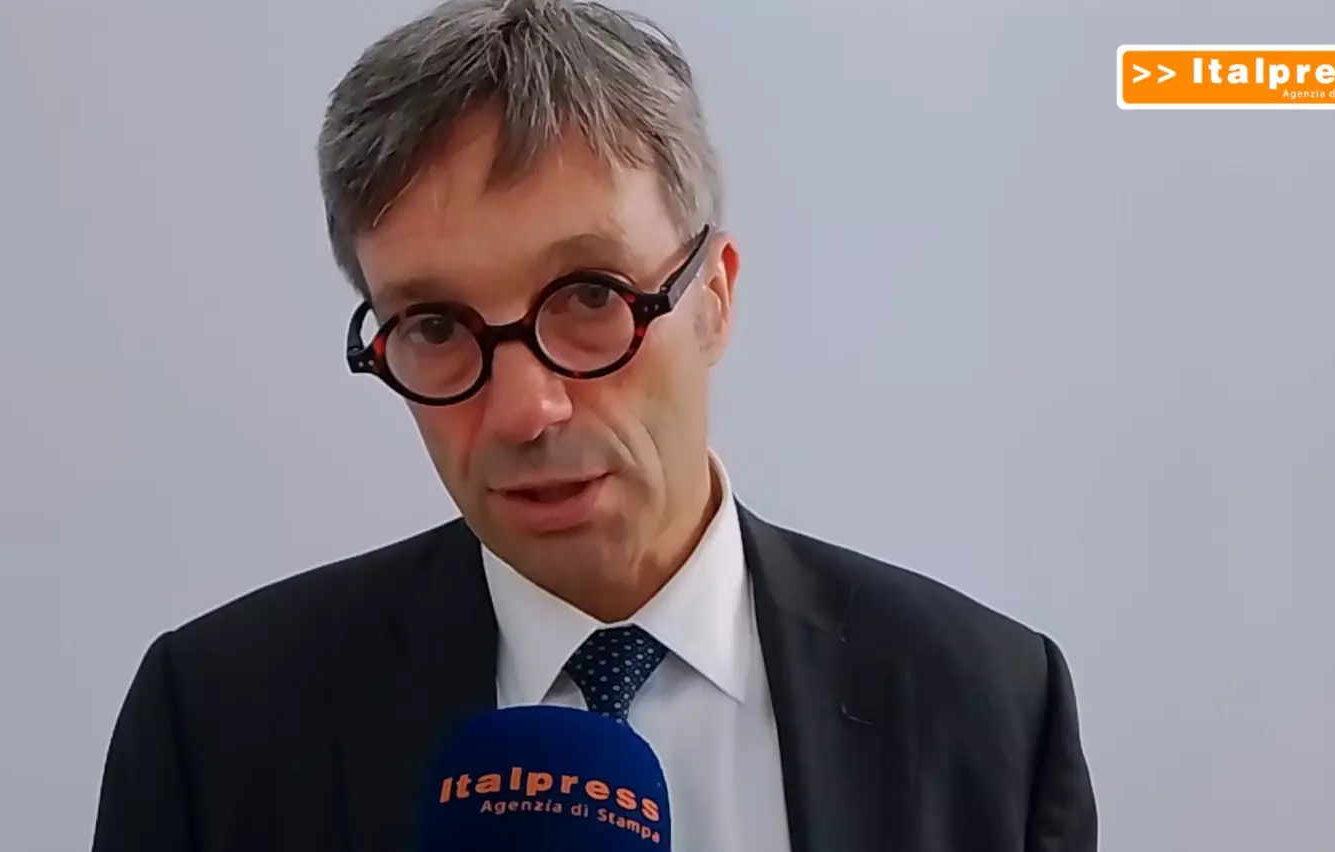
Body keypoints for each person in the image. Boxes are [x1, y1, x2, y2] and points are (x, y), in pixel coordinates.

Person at [90, 1, 1097, 850]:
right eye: (435, 326)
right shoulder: (216, 725)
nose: (526, 409)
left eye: (589, 296)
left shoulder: (989, 705)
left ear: (713, 298)